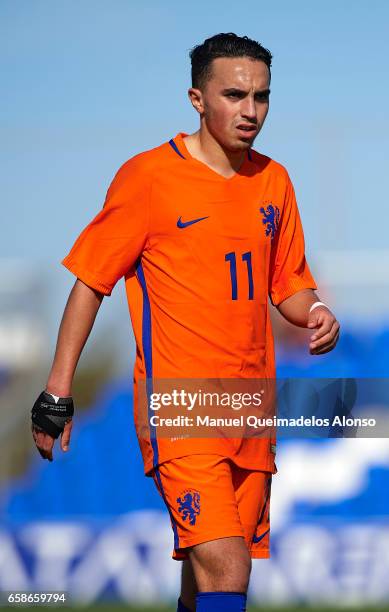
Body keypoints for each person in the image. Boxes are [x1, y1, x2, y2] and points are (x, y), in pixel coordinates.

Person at [31, 33, 340, 612]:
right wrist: (57, 390)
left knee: (203, 583)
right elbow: (91, 282)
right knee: (227, 565)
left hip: (251, 408)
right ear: (197, 98)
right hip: (180, 406)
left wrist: (317, 311)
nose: (251, 111)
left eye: (262, 97)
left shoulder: (275, 181)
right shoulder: (148, 178)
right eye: (234, 95)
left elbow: (289, 284)